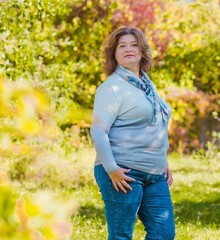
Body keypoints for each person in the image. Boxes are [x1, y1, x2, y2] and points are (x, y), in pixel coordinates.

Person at [90, 27, 175, 240]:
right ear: (114, 54)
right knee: (121, 236)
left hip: (154, 174)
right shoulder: (112, 88)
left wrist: (162, 161)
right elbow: (99, 131)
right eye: (122, 45)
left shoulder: (147, 87)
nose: (128, 49)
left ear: (142, 51)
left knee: (163, 234)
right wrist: (112, 169)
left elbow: (155, 127)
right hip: (123, 172)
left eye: (134, 44)